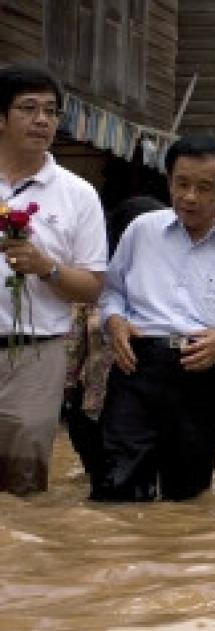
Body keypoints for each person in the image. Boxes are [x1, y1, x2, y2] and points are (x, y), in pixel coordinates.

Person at [93, 135, 215, 501]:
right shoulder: (141, 230)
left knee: (187, 496)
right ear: (168, 180)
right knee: (117, 486)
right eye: (181, 184)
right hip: (137, 366)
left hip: (206, 372)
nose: (189, 196)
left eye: (203, 187)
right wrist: (113, 319)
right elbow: (111, 291)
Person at [0, 65, 107, 495]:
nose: (42, 120)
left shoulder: (78, 194)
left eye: (51, 111)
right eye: (28, 108)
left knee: (24, 480)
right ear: (0, 118)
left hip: (37, 354)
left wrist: (47, 268)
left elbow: (94, 284)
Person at [63, 195, 165, 476]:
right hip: (96, 410)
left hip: (157, 411)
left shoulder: (172, 287)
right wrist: (67, 396)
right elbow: (72, 349)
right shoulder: (94, 284)